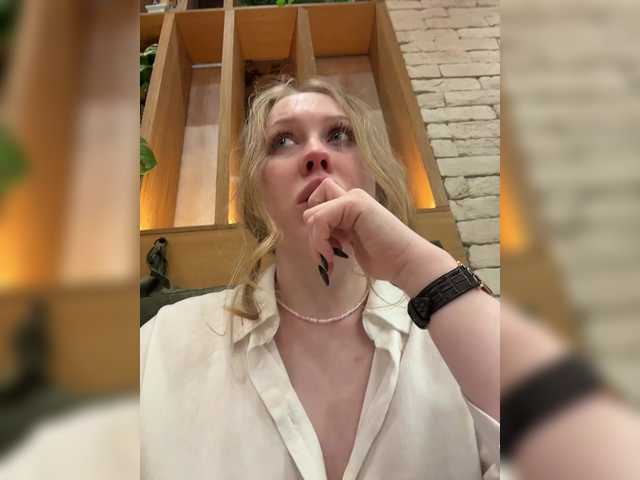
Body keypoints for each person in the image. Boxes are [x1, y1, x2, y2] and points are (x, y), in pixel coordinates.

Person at [140, 77, 500, 480]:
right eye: (283, 141)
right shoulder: (162, 342)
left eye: (339, 135)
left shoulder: (452, 334)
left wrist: (414, 265)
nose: (315, 153)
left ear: (372, 175)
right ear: (258, 190)